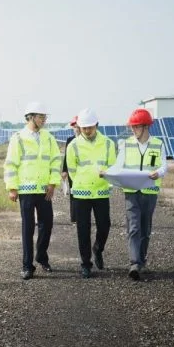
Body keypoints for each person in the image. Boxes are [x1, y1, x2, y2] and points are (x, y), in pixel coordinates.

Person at [3, 102, 62, 280]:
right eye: (41, 117)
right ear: (30, 117)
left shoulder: (49, 138)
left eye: (45, 117)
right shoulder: (18, 138)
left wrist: (52, 184)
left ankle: (41, 257)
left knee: (47, 225)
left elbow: (55, 161)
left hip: (44, 189)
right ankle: (27, 266)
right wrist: (12, 188)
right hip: (26, 191)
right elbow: (11, 164)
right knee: (27, 228)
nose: (44, 120)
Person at [116, 108, 168, 280]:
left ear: (146, 127)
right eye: (132, 127)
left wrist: (158, 173)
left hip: (149, 192)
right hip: (131, 192)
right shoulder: (126, 144)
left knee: (145, 228)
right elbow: (118, 165)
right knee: (134, 227)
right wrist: (108, 173)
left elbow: (163, 166)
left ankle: (142, 259)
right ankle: (134, 263)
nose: (133, 130)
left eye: (136, 127)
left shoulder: (158, 144)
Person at [65, 108, 116, 278]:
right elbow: (71, 169)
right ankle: (85, 263)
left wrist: (104, 174)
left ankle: (98, 249)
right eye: (84, 127)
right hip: (81, 193)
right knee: (83, 230)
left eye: (90, 127)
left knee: (104, 225)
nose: (87, 131)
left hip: (101, 191)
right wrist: (82, 180)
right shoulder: (73, 145)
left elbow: (112, 165)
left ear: (97, 125)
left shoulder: (108, 143)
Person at [61, 116, 81, 225]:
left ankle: (82, 216)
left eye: (78, 127)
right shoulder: (70, 140)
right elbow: (66, 157)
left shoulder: (85, 140)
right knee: (73, 194)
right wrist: (64, 170)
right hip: (72, 171)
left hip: (82, 172)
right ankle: (75, 218)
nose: (76, 129)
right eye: (75, 127)